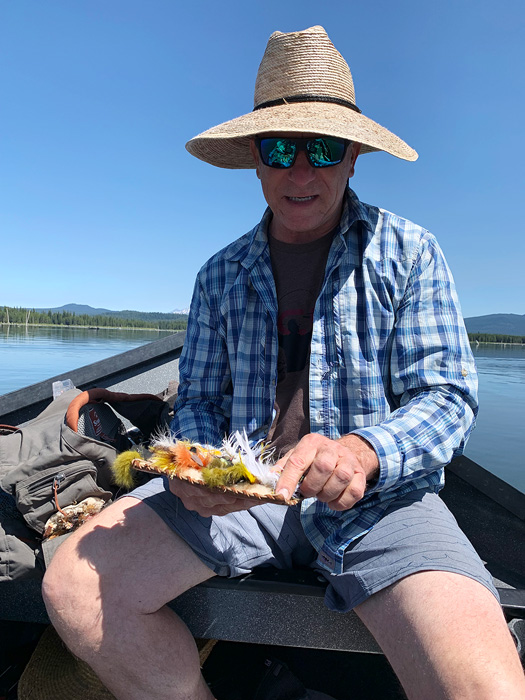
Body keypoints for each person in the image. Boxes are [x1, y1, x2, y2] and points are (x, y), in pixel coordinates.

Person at [42, 26, 525, 700]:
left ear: (353, 156)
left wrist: (362, 451)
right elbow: (200, 404)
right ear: (255, 158)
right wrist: (196, 470)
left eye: (323, 149)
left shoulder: (410, 252)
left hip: (379, 501)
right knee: (74, 585)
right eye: (279, 149)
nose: (301, 172)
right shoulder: (220, 274)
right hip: (244, 491)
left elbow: (446, 396)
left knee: (484, 689)